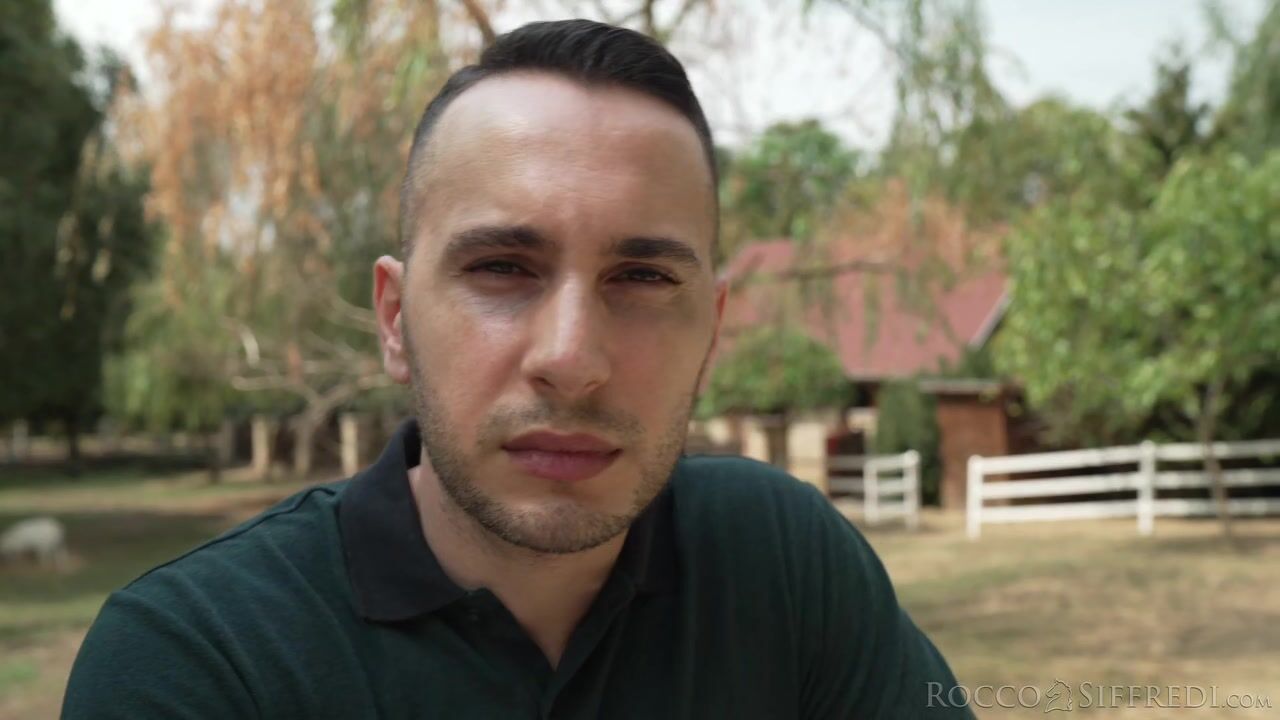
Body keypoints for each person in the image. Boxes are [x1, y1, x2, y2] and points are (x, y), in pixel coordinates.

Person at [63, 19, 972, 719]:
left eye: (643, 278)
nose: (571, 361)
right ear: (395, 318)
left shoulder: (781, 563)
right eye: (502, 268)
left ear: (712, 332)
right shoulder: (198, 658)